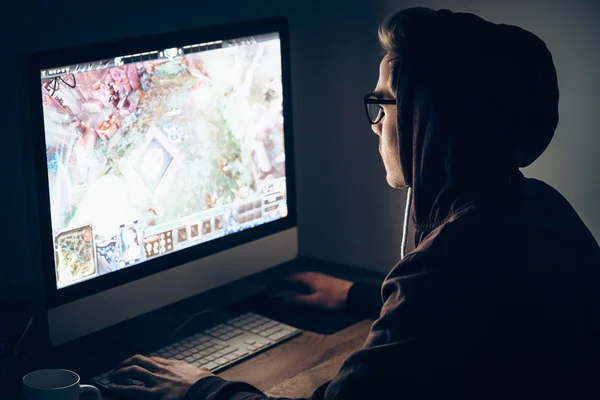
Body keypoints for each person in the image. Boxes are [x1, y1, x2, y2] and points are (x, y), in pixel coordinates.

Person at [108, 7, 600, 400]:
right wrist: (362, 296)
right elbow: (456, 325)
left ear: (425, 119)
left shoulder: (447, 269)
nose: (374, 122)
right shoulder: (544, 211)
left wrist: (200, 388)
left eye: (382, 102)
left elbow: (443, 303)